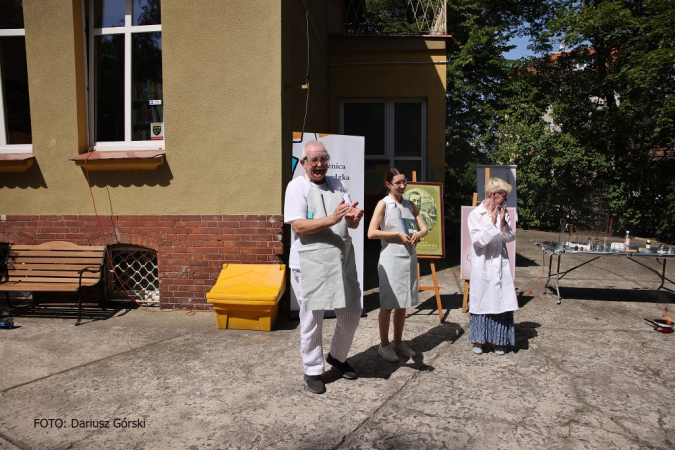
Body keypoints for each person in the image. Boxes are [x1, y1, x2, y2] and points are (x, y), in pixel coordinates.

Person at [284, 140, 364, 394]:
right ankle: (313, 370)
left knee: (351, 313)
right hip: (311, 263)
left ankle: (337, 357)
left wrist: (353, 219)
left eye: (323, 159)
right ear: (304, 163)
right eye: (314, 160)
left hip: (340, 261)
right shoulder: (297, 187)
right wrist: (332, 218)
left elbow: (350, 222)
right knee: (312, 319)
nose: (319, 165)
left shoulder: (338, 184)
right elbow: (298, 226)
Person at [367, 168, 428, 362]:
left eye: (404, 182)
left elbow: (424, 228)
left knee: (403, 304)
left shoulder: (409, 204)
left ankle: (398, 342)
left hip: (409, 257)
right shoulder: (383, 204)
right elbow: (371, 233)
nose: (402, 186)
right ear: (388, 185)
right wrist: (397, 234)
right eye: (398, 183)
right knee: (388, 304)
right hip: (391, 259)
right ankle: (384, 345)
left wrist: (418, 234)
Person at [467, 177, 518, 355]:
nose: (505, 200)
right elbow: (479, 241)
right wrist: (492, 223)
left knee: (499, 302)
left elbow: (510, 237)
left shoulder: (505, 212)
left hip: (500, 262)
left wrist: (502, 223)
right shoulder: (476, 214)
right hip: (483, 263)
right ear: (494, 194)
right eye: (504, 196)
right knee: (482, 301)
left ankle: (498, 340)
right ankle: (479, 340)